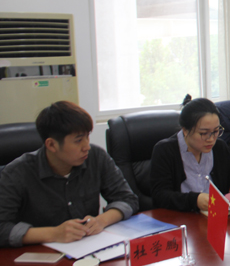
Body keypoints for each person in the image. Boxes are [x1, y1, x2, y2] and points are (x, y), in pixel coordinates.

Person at [0, 101, 139, 248]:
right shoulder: (17, 172)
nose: (86, 146)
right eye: (78, 140)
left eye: (87, 136)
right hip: (38, 254)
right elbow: (2, 227)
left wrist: (101, 220)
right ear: (51, 145)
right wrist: (54, 233)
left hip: (87, 249)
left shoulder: (96, 157)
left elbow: (128, 199)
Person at [151, 97, 230, 212]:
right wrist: (195, 200)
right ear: (185, 130)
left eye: (216, 131)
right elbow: (160, 196)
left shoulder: (219, 147)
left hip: (217, 214)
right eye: (204, 133)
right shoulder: (165, 150)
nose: (211, 139)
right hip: (181, 217)